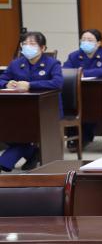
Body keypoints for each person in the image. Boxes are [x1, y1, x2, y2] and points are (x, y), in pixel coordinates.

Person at [0, 31, 62, 171]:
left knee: (23, 127)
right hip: (18, 109)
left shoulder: (52, 63)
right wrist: (6, 83)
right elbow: (2, 79)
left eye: (32, 44)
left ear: (43, 48)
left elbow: (57, 83)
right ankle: (32, 152)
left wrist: (30, 85)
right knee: (5, 126)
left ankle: (5, 161)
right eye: (25, 44)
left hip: (46, 110)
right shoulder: (16, 63)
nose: (28, 46)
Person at [63, 28, 102, 149]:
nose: (86, 42)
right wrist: (78, 74)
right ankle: (74, 137)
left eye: (90, 40)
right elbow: (66, 70)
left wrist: (83, 73)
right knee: (72, 103)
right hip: (77, 92)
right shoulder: (74, 55)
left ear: (98, 43)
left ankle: (85, 137)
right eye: (83, 39)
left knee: (91, 104)